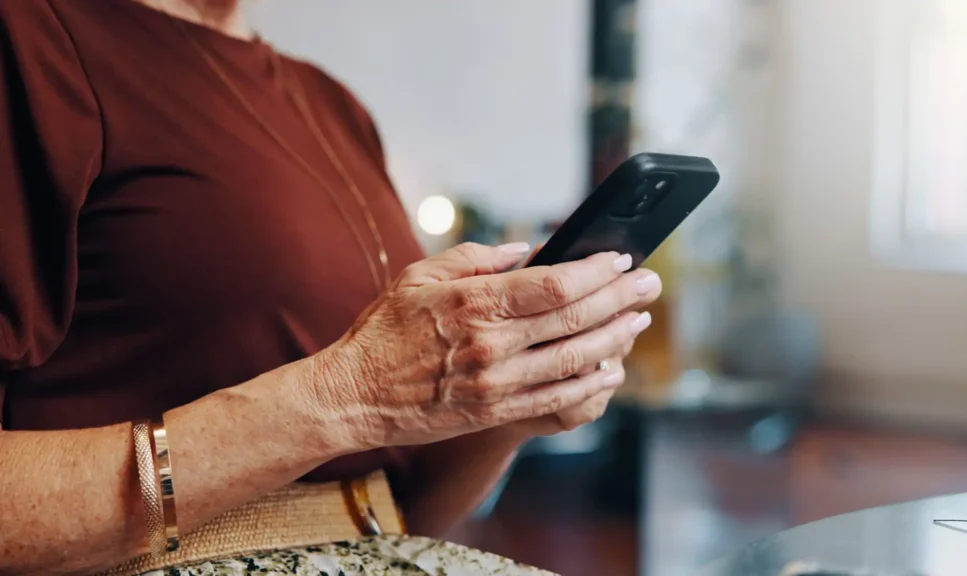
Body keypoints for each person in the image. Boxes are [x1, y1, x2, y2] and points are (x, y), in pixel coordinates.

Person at [0, 1, 662, 574]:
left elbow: (398, 514)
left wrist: (509, 406)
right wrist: (347, 395)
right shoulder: (33, 39)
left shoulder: (333, 104)